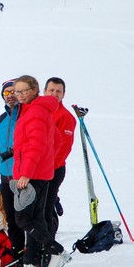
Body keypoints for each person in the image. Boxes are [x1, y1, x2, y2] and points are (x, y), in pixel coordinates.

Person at [11, 75, 69, 267]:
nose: (19, 95)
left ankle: (57, 251)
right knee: (36, 218)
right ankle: (33, 259)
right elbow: (56, 141)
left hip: (31, 175)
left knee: (23, 218)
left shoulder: (35, 111)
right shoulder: (35, 109)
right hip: (39, 173)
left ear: (35, 90)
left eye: (23, 91)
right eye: (16, 91)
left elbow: (37, 144)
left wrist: (27, 171)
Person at [0, 79, 26, 267]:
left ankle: (34, 253)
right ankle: (18, 253)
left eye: (13, 91)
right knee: (11, 218)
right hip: (5, 176)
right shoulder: (2, 119)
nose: (10, 95)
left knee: (25, 217)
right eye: (6, 93)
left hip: (24, 175)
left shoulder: (25, 114)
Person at [43, 77, 75, 238]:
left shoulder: (65, 116)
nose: (54, 94)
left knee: (45, 211)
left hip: (52, 170)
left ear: (63, 95)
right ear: (44, 91)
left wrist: (45, 168)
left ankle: (49, 247)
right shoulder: (37, 111)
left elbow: (63, 148)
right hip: (35, 169)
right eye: (51, 90)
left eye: (58, 91)